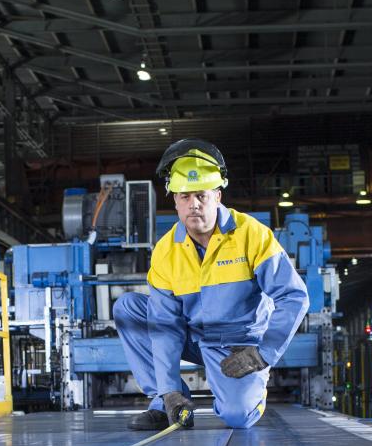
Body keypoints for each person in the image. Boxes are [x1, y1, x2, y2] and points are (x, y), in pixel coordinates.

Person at [113, 138, 309, 430]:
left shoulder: (251, 234)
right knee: (129, 308)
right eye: (185, 196)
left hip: (239, 345)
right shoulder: (166, 251)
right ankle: (165, 403)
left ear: (218, 196)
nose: (194, 204)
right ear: (174, 200)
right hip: (193, 337)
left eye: (202, 195)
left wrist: (263, 354)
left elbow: (294, 297)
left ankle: (247, 395)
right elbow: (163, 326)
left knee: (238, 417)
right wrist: (169, 389)